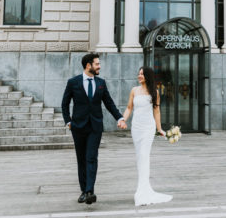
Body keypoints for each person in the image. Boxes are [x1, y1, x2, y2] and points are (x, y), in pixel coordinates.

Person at [61, 52, 127, 205]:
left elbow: (109, 103)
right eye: (97, 64)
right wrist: (68, 121)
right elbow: (64, 104)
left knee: (91, 157)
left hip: (95, 127)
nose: (99, 66)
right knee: (81, 159)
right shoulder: (73, 82)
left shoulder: (101, 83)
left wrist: (120, 117)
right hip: (78, 127)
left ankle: (90, 191)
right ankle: (83, 190)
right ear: (88, 65)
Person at [121, 66, 173, 206]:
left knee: (144, 155)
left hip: (148, 128)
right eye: (138, 73)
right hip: (136, 128)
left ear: (148, 76)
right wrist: (123, 119)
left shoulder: (154, 92)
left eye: (142, 74)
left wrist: (159, 128)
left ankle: (142, 190)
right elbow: (129, 108)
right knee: (139, 156)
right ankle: (143, 187)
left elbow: (156, 111)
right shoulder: (134, 90)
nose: (139, 76)